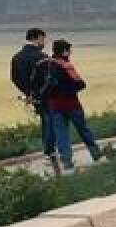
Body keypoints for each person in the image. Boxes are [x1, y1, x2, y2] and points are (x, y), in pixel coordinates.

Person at [42, 39, 102, 174]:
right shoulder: (66, 65)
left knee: (61, 135)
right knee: (83, 130)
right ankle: (97, 155)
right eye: (69, 50)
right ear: (64, 51)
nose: (70, 53)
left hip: (54, 106)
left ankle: (67, 164)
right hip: (71, 104)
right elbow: (81, 83)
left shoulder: (46, 64)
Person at [9, 28, 58, 172]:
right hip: (45, 95)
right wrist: (41, 92)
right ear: (37, 38)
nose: (44, 42)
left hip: (32, 96)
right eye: (43, 39)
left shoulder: (17, 57)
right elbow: (49, 78)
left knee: (45, 120)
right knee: (50, 121)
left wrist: (28, 93)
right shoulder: (41, 56)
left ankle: (49, 151)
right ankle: (50, 152)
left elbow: (14, 78)